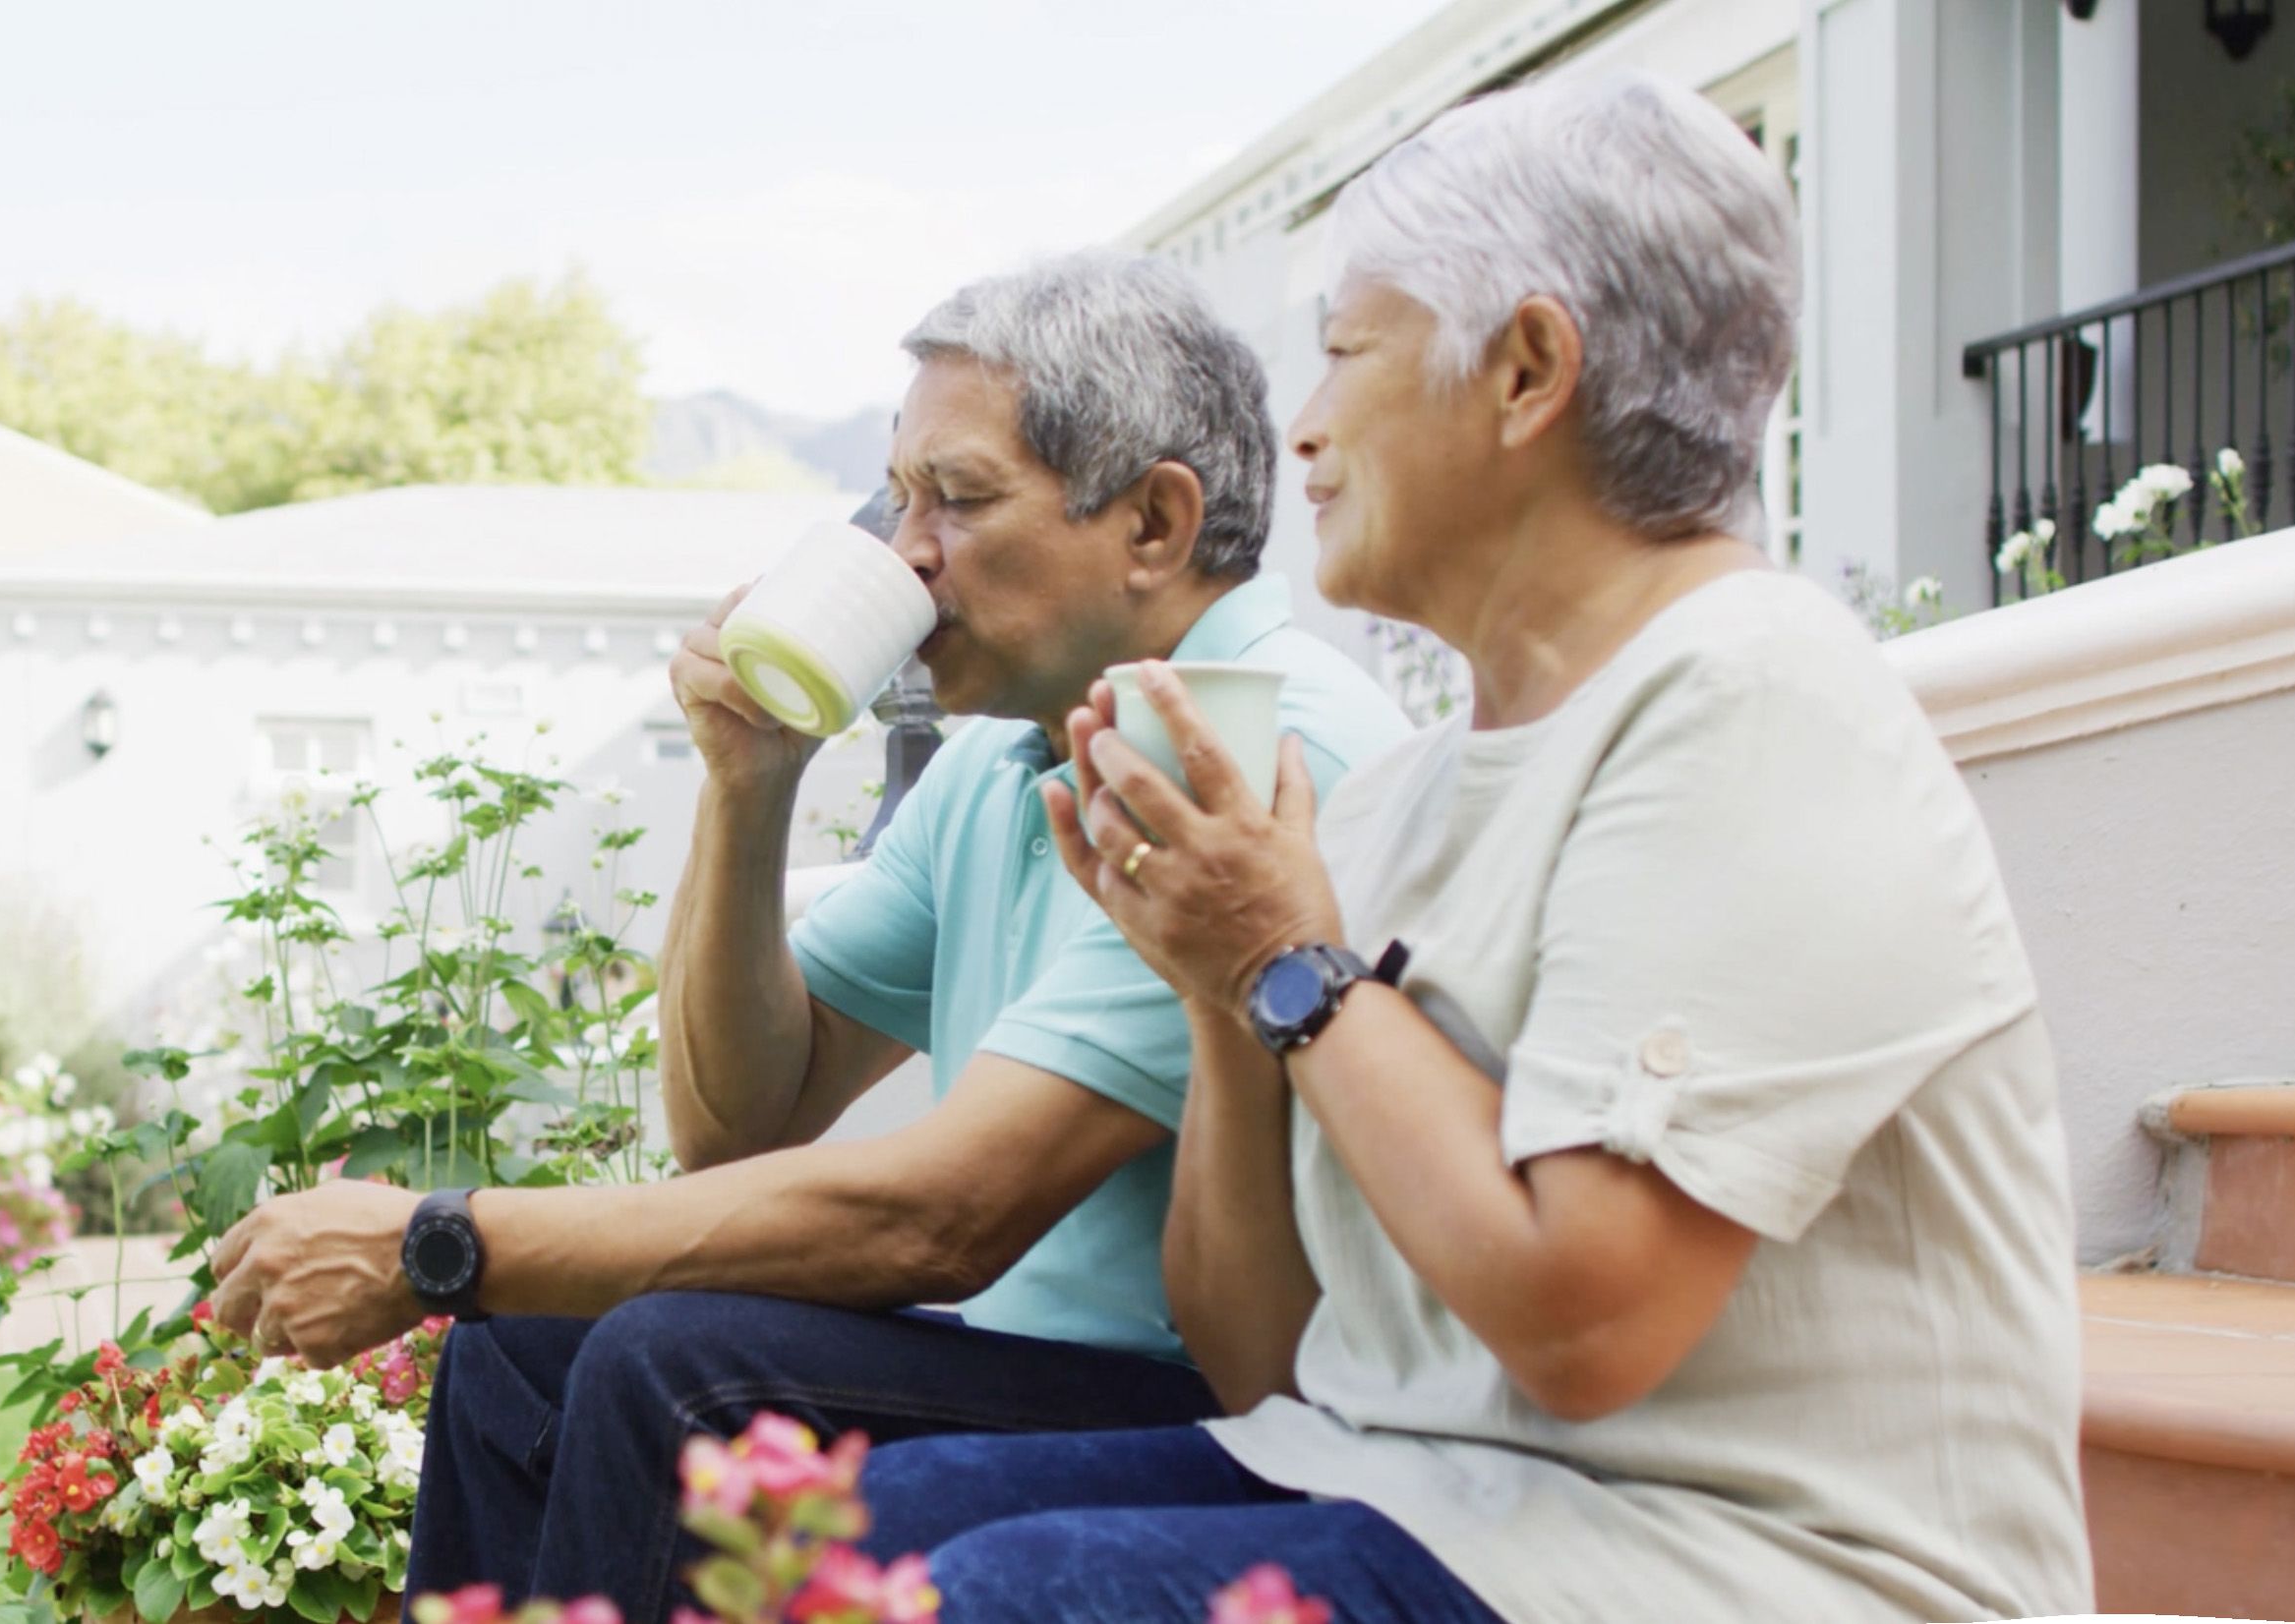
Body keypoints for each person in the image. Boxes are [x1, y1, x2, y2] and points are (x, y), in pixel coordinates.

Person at [849, 69, 2096, 1624]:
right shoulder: (1404, 795)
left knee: (1016, 1599)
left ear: (1524, 371)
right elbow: (1267, 1359)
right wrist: (1216, 989)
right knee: (850, 1530)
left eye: (1348, 356)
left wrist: (1285, 961)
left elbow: (1585, 1326)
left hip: (1745, 1566)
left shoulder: (1754, 701)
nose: (1300, 436)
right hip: (1419, 1489)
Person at [204, 249, 1409, 1622]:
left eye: (955, 498)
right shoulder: (1006, 755)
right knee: (528, 1346)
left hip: (1229, 1404)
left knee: (676, 1364)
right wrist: (748, 784)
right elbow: (744, 1121)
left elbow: (947, 1220)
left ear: (1152, 524)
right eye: (898, 497)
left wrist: (439, 1239)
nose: (904, 552)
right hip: (1030, 1362)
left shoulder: (1256, 743)